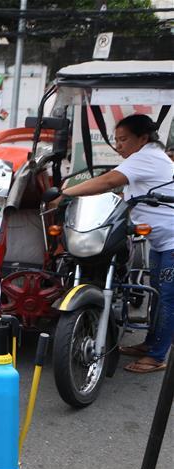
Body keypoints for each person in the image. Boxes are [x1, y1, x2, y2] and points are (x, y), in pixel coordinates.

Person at [50, 113, 173, 373]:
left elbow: (108, 181)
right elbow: (119, 192)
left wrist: (64, 194)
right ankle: (150, 345)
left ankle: (158, 356)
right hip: (162, 240)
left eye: (124, 139)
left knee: (168, 299)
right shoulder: (144, 159)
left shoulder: (146, 157)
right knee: (160, 295)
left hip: (171, 242)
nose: (119, 146)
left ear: (143, 138)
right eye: (116, 140)